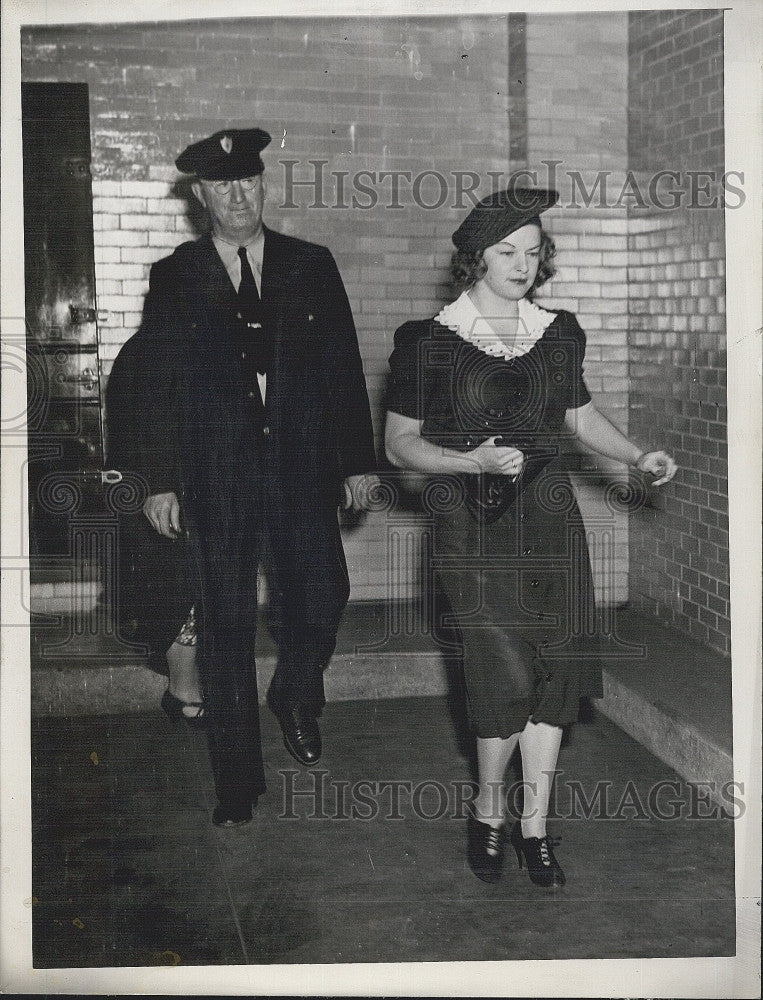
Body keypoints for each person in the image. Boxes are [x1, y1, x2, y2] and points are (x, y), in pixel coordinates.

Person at [385, 187, 676, 885]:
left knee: (553, 675)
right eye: (506, 251)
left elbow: (576, 416)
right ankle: (489, 809)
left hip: (548, 519)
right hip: (468, 522)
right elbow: (399, 445)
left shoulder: (558, 332)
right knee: (501, 675)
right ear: (474, 259)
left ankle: (535, 826)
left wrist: (636, 456)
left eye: (533, 251)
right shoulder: (425, 342)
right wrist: (471, 460)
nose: (522, 264)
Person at [107, 128, 377, 827]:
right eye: (222, 186)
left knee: (323, 596)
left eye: (248, 182)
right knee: (224, 626)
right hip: (214, 474)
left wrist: (355, 463)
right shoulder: (176, 274)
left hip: (298, 469)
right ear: (200, 196)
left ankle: (294, 695)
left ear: (263, 186)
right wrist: (161, 481)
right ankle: (236, 781)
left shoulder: (309, 264)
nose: (237, 196)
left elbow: (341, 368)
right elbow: (159, 383)